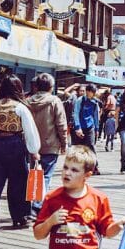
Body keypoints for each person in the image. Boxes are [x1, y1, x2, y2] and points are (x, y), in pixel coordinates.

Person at [33, 145, 122, 249]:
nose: (67, 173)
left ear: (87, 175)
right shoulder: (52, 198)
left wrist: (119, 225)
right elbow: (38, 234)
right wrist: (50, 221)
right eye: (65, 167)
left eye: (74, 170)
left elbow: (108, 231)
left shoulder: (98, 199)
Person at [0, 75, 41, 231]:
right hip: (15, 145)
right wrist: (34, 150)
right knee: (18, 183)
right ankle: (19, 216)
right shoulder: (20, 107)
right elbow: (29, 130)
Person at [27, 72, 70, 216]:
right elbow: (61, 124)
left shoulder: (28, 101)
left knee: (32, 175)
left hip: (31, 146)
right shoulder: (54, 101)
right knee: (45, 176)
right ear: (51, 87)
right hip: (50, 144)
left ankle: (30, 205)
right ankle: (37, 206)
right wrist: (64, 143)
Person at [73, 84, 102, 173]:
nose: (93, 94)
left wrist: (97, 129)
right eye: (92, 92)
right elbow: (76, 114)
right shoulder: (80, 100)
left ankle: (95, 166)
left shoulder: (95, 102)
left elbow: (96, 116)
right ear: (88, 91)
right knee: (79, 148)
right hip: (80, 127)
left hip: (90, 127)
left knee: (91, 146)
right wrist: (78, 128)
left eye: (94, 92)